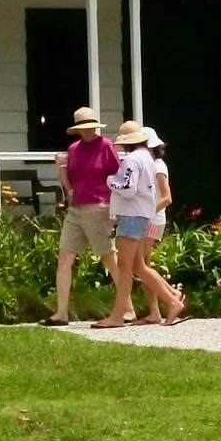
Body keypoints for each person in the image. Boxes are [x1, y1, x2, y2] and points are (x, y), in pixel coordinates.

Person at [96, 120, 185, 328]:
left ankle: (118, 316)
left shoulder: (132, 160)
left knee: (125, 267)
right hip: (142, 215)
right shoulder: (147, 157)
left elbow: (128, 188)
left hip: (131, 215)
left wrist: (109, 181)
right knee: (138, 266)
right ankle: (172, 300)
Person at [50, 106, 121, 324]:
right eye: (84, 128)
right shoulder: (73, 149)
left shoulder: (106, 146)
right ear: (78, 129)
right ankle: (61, 313)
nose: (88, 131)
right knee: (65, 257)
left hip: (99, 206)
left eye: (91, 127)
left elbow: (117, 177)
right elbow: (70, 181)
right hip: (76, 208)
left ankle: (126, 308)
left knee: (108, 257)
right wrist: (62, 172)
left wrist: (114, 207)